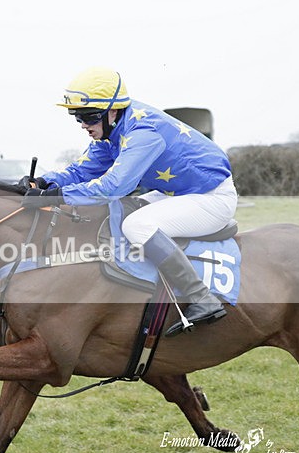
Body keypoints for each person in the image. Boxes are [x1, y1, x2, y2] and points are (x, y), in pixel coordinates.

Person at [21, 67, 237, 336]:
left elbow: (113, 187)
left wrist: (58, 197)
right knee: (119, 213)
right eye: (76, 117)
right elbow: (83, 170)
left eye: (88, 116)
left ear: (113, 111)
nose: (83, 124)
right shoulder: (112, 131)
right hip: (180, 193)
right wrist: (46, 182)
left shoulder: (143, 132)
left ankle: (201, 297)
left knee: (137, 226)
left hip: (211, 198)